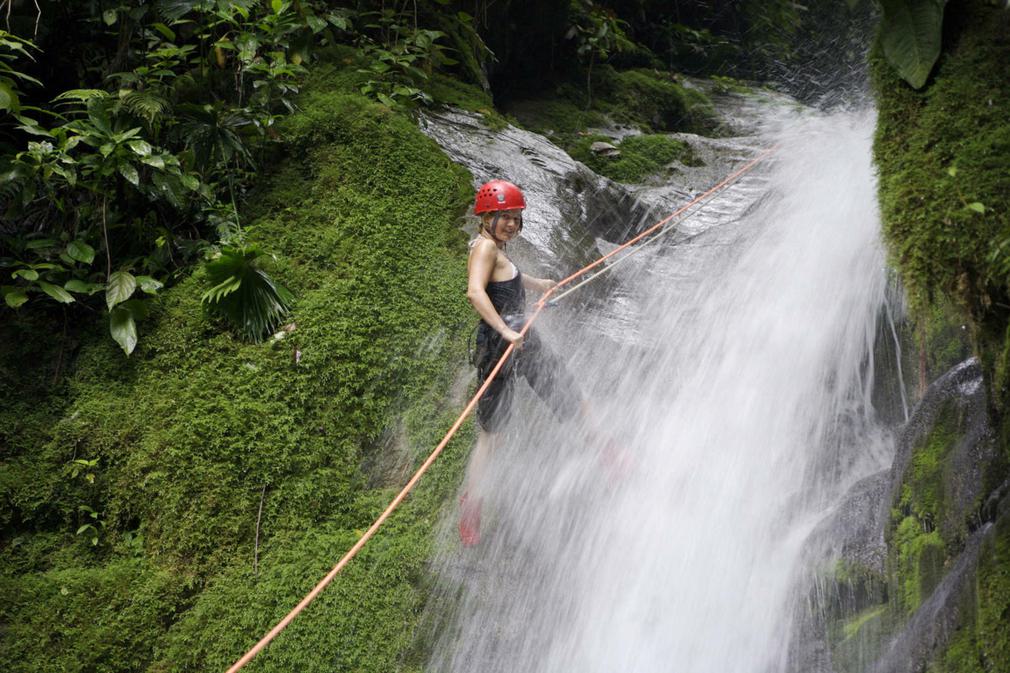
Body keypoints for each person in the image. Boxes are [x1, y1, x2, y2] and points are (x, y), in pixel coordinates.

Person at [459, 179, 583, 546]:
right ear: (487, 217)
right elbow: (475, 291)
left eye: (516, 217)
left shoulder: (496, 247)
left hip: (521, 338)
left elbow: (507, 278)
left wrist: (538, 284)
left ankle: (607, 451)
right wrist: (504, 331)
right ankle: (471, 507)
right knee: (491, 437)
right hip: (501, 345)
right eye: (504, 217)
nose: (512, 224)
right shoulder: (484, 248)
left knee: (568, 394)